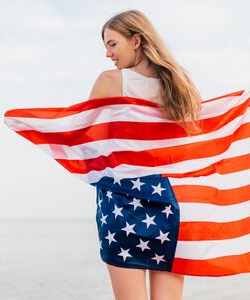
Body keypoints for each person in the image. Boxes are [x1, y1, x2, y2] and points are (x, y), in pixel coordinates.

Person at [88, 9, 203, 300]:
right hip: (172, 203)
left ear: (136, 40)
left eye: (112, 44)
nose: (107, 53)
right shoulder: (183, 89)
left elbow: (86, 139)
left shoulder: (111, 81)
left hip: (121, 203)